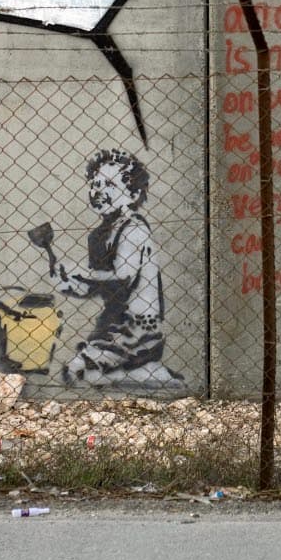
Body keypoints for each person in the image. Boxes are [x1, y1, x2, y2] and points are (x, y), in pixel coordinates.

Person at [53, 149, 184, 391]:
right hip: (112, 327)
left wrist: (80, 273)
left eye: (110, 185)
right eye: (95, 184)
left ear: (133, 194)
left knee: (80, 373)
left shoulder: (134, 228)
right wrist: (69, 282)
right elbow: (98, 284)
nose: (99, 191)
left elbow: (122, 277)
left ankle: (146, 372)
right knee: (78, 372)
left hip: (137, 328)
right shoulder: (99, 235)